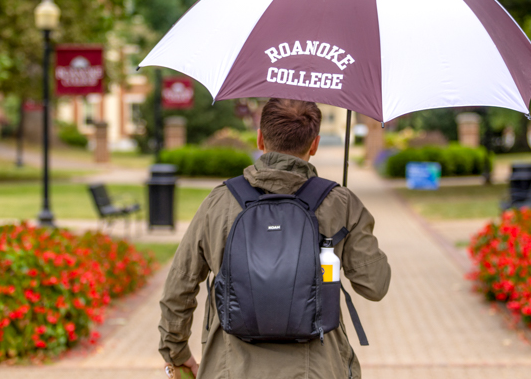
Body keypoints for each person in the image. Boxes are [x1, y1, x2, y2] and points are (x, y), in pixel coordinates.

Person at [158, 98, 391, 378]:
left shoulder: (219, 202)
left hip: (231, 367)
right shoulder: (339, 202)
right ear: (314, 145)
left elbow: (179, 286)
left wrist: (177, 353)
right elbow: (375, 286)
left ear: (260, 139)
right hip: (319, 368)